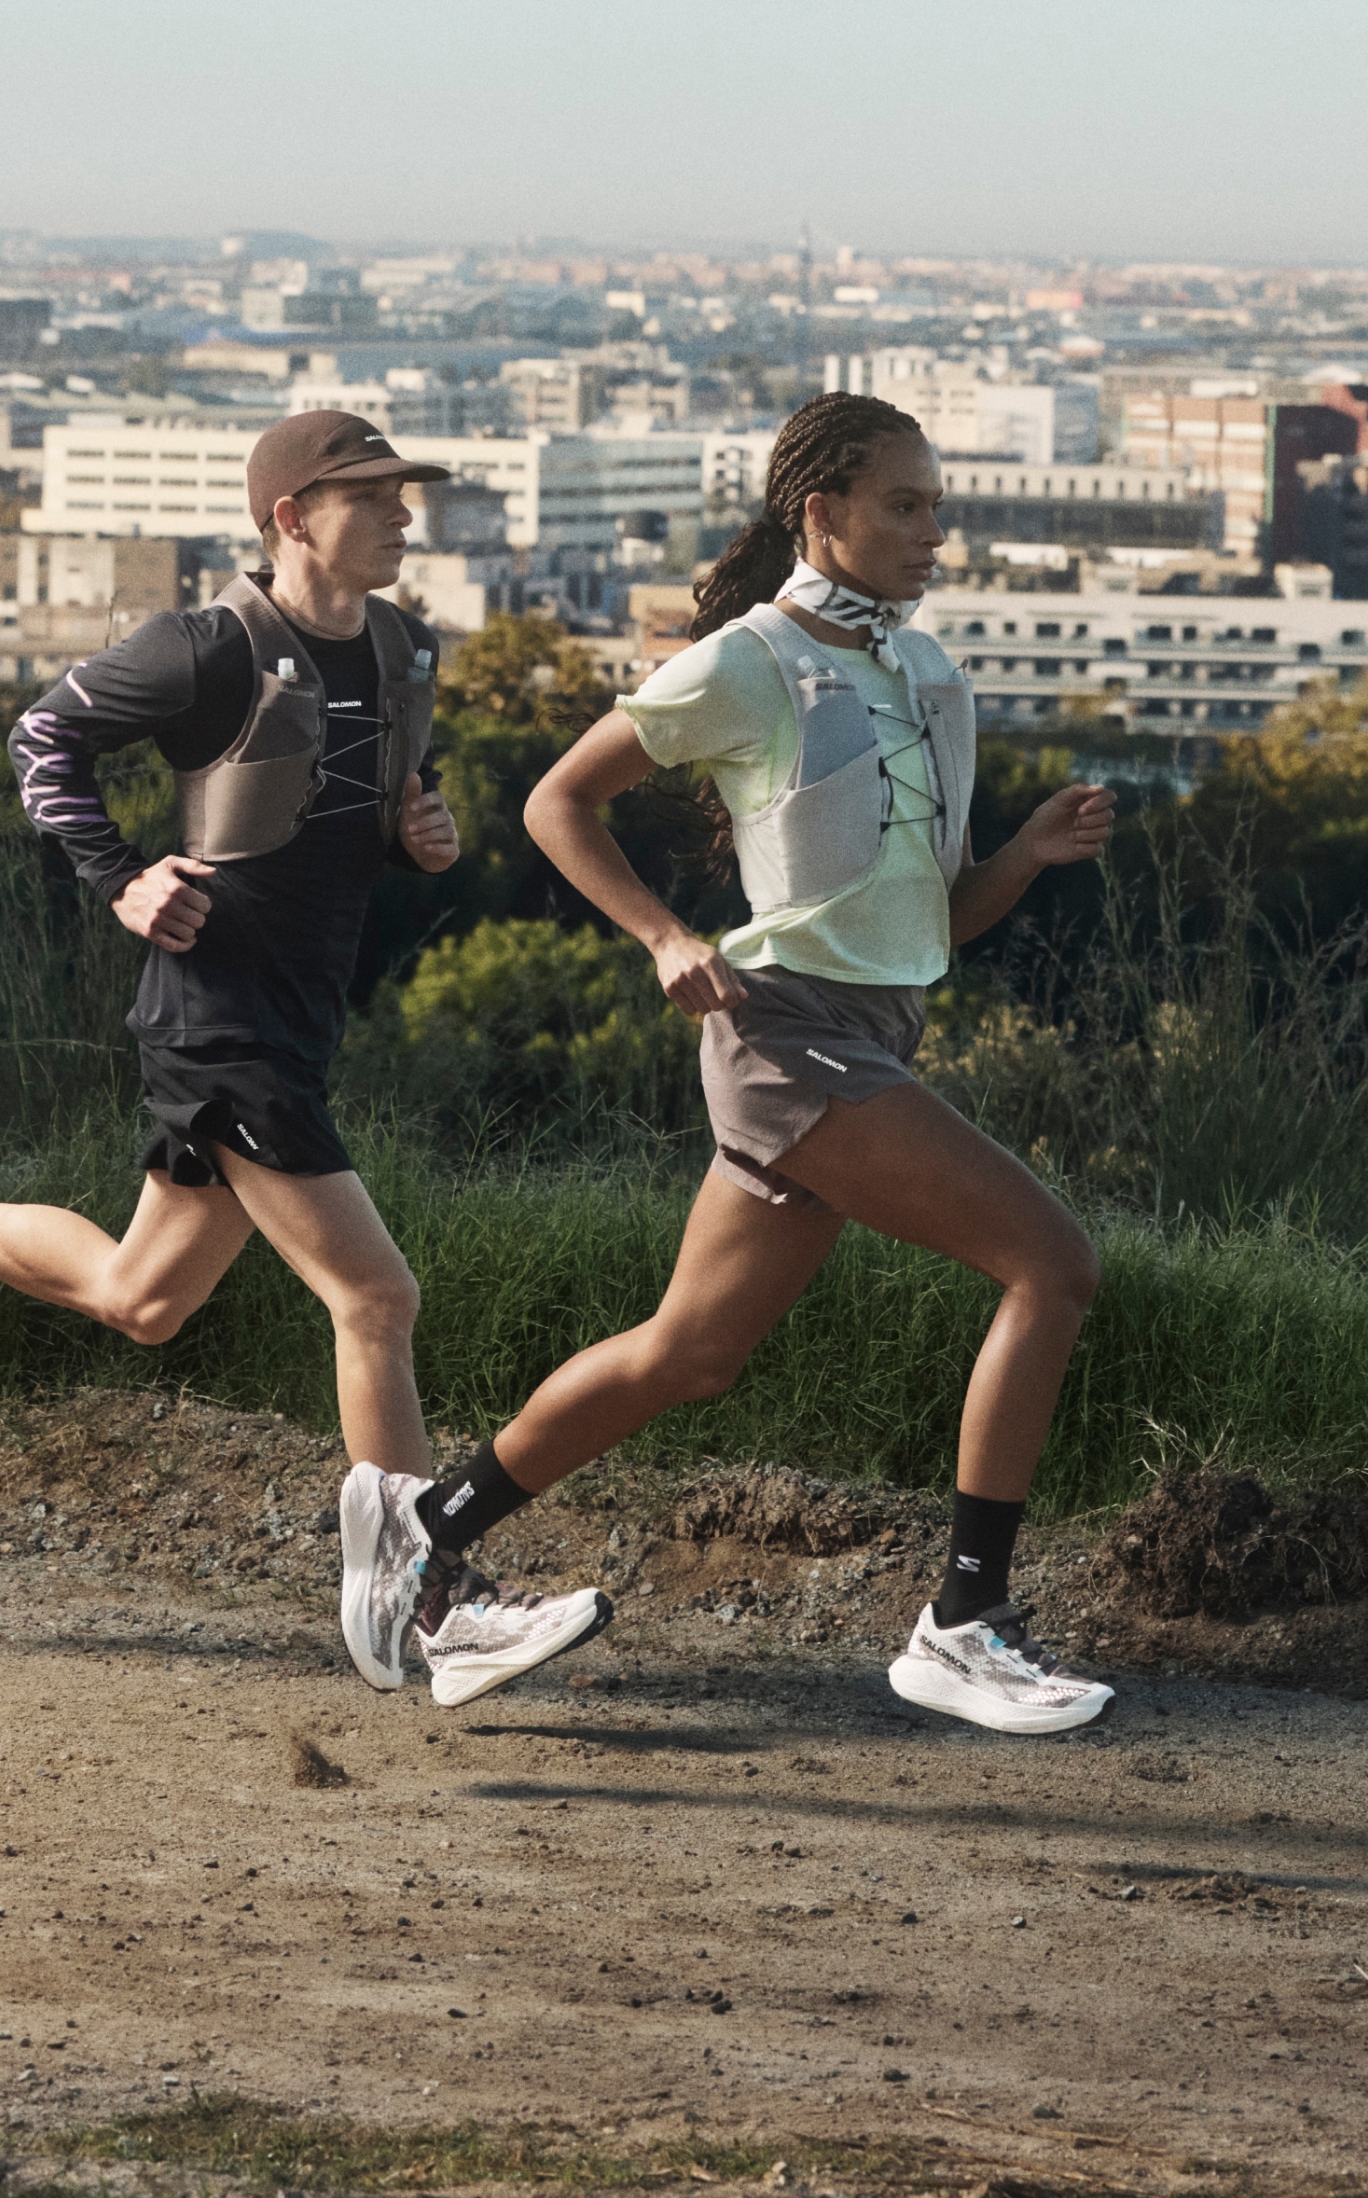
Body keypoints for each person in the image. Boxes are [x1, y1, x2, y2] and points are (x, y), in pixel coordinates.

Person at [0, 409, 609, 1710]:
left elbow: (361, 815)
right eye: (371, 496)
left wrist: (418, 829)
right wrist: (120, 875)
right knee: (377, 1299)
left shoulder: (403, 649)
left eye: (403, 494)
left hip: (293, 1017)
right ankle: (429, 1600)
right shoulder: (205, 650)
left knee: (143, 1298)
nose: (404, 516)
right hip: (218, 1019)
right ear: (291, 516)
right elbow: (44, 743)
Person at [337, 391, 1122, 1735]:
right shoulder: (746, 664)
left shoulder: (931, 679)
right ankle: (964, 1620)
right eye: (907, 505)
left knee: (689, 1353)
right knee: (1051, 1265)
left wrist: (1025, 860)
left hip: (869, 1028)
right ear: (823, 514)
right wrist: (657, 935)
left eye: (939, 507)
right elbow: (554, 801)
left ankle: (423, 1536)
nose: (936, 532)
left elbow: (933, 924)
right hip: (784, 1039)